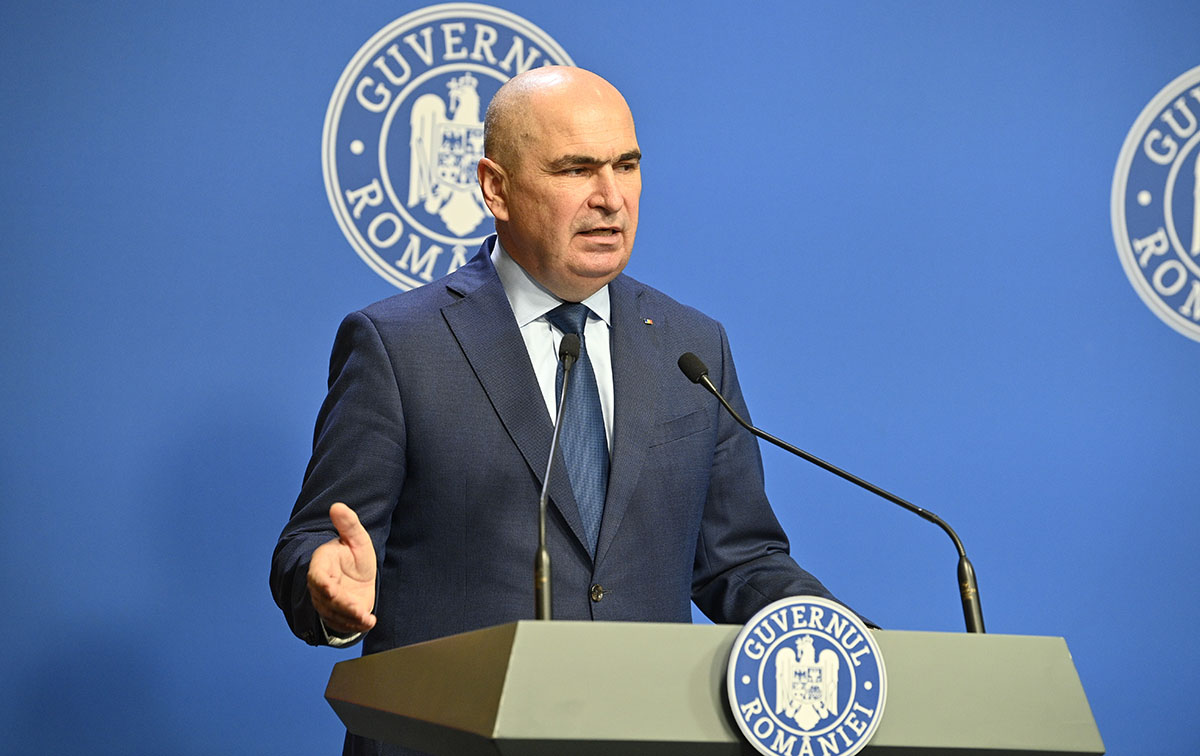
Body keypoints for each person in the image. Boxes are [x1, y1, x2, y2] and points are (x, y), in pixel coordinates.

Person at [271, 66, 854, 756]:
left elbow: (740, 561)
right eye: (576, 170)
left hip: (644, 737)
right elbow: (314, 544)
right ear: (496, 188)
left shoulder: (691, 345)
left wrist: (851, 644)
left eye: (626, 165)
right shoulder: (400, 346)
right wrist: (329, 591)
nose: (610, 198)